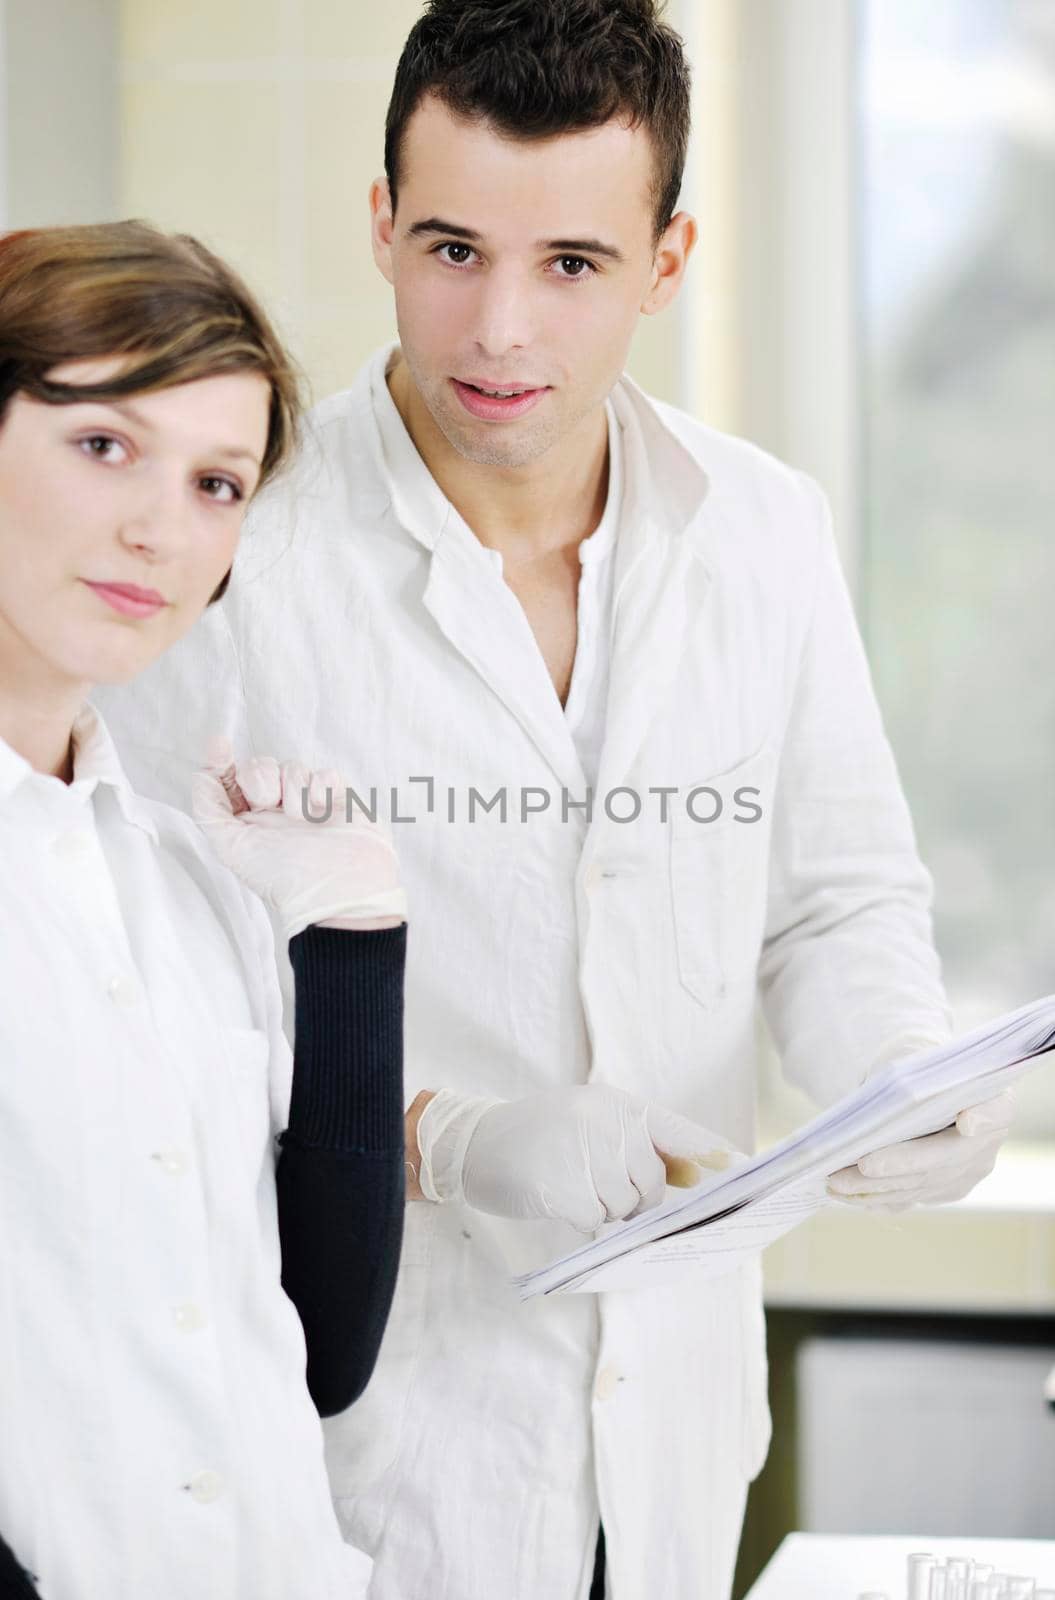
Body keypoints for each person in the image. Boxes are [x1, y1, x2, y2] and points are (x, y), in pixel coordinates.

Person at [99, 3, 1015, 1597]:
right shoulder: (232, 556)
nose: (500, 330)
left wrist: (899, 1069)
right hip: (371, 1469)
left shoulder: (765, 535)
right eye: (452, 248)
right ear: (381, 222)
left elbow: (837, 897)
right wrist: (446, 1140)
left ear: (668, 261)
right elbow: (147, 1037)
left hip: (668, 1448)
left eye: (572, 266)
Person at [0, 221, 409, 1598]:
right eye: (104, 445)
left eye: (218, 483)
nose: (160, 531)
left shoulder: (186, 886)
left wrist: (352, 948)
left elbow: (323, 1352)